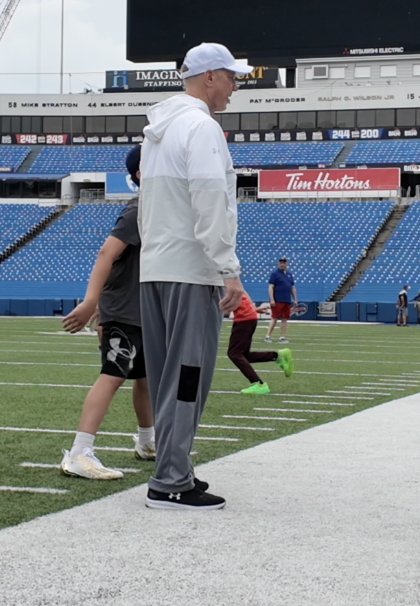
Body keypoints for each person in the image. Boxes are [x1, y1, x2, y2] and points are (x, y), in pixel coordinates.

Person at [138, 42, 249, 510]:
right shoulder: (202, 127)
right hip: (191, 269)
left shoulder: (158, 131)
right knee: (188, 377)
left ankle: (175, 466)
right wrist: (228, 268)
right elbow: (210, 199)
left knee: (168, 377)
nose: (234, 87)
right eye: (231, 77)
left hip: (157, 267)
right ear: (209, 77)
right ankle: (169, 480)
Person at [59, 145, 155, 480]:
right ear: (142, 173)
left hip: (144, 309)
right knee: (113, 374)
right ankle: (79, 452)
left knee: (145, 378)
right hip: (125, 308)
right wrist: (90, 302)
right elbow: (106, 253)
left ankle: (148, 441)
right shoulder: (140, 208)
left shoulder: (159, 206)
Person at [230, 293, 293, 394]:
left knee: (234, 353)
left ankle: (258, 384)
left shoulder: (222, 280)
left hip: (244, 318)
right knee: (244, 355)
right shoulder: (227, 279)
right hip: (246, 317)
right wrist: (253, 308)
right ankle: (278, 356)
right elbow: (241, 292)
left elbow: (233, 295)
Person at [265, 257, 296, 343]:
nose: (282, 264)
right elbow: (271, 287)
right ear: (278, 263)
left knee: (284, 319)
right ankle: (268, 336)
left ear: (287, 264)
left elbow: (292, 288)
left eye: (284, 262)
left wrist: (295, 299)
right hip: (277, 300)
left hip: (286, 300)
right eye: (281, 262)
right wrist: (272, 299)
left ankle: (282, 337)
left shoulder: (289, 275)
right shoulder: (274, 274)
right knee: (274, 318)